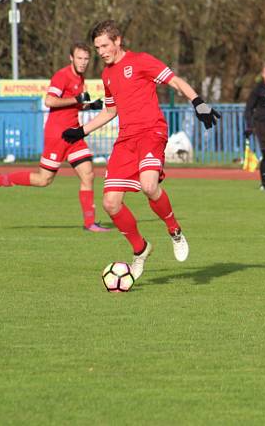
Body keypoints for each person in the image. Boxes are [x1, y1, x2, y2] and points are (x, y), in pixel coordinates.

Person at [61, 20, 220, 280]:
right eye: (97, 47)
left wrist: (198, 102)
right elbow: (111, 111)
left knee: (148, 185)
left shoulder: (141, 61)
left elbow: (175, 81)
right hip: (126, 140)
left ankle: (174, 230)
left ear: (118, 41)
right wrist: (82, 131)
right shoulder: (107, 75)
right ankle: (140, 249)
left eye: (104, 45)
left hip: (151, 132)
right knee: (110, 203)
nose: (100, 52)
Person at [0, 41, 111, 233]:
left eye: (86, 59)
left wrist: (90, 105)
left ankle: (89, 223)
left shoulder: (80, 77)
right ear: (71, 58)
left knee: (88, 174)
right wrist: (76, 100)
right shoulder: (62, 76)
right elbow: (49, 100)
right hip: (57, 135)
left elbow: (71, 104)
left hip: (74, 134)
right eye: (79, 58)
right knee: (44, 180)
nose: (83, 62)